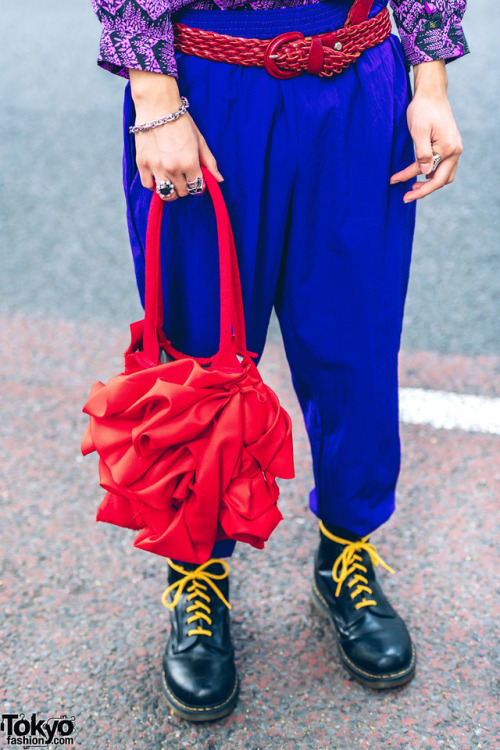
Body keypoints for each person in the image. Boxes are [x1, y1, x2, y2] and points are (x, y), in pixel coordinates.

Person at [90, 0, 468, 722]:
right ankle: (197, 572)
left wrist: (431, 77)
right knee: (199, 353)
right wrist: (153, 92)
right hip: (208, 84)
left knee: (357, 343)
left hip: (358, 77)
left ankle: (344, 549)